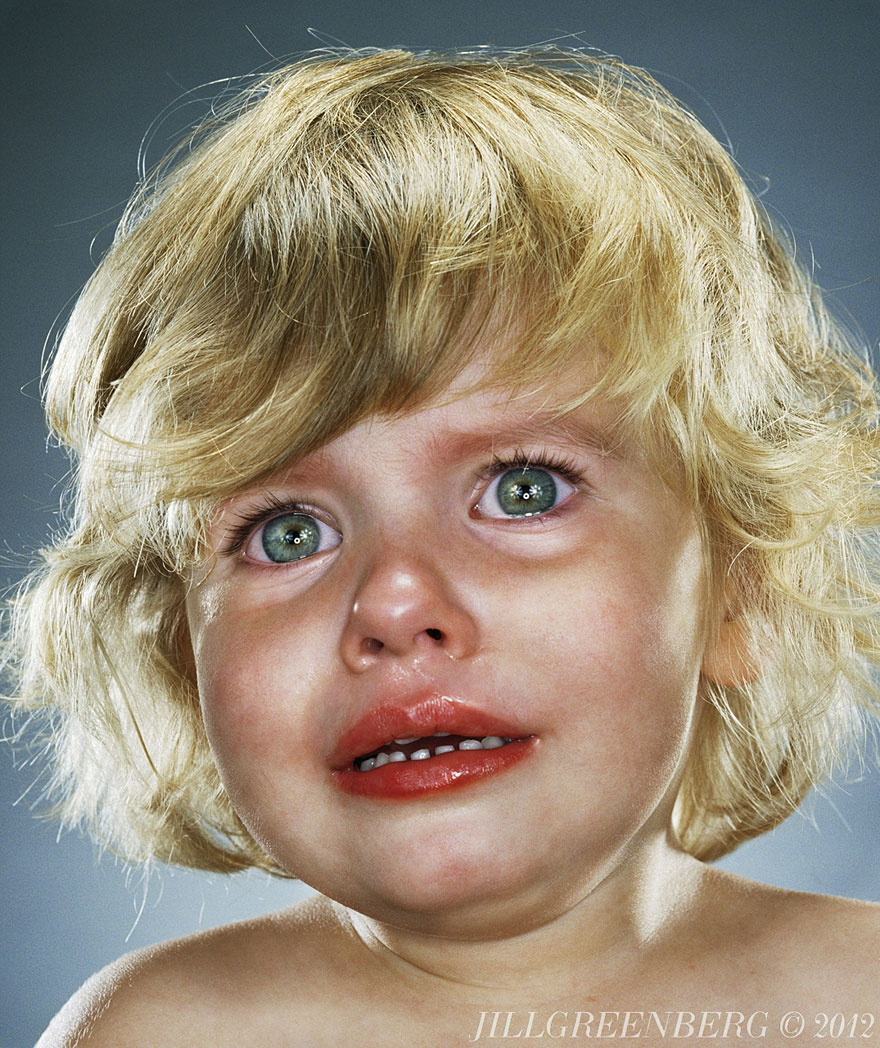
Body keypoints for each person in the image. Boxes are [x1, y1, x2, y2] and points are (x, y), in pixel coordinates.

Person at [9, 47, 879, 1046]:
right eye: (286, 534)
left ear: (739, 588)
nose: (391, 602)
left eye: (523, 490)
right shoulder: (164, 1032)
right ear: (179, 649)